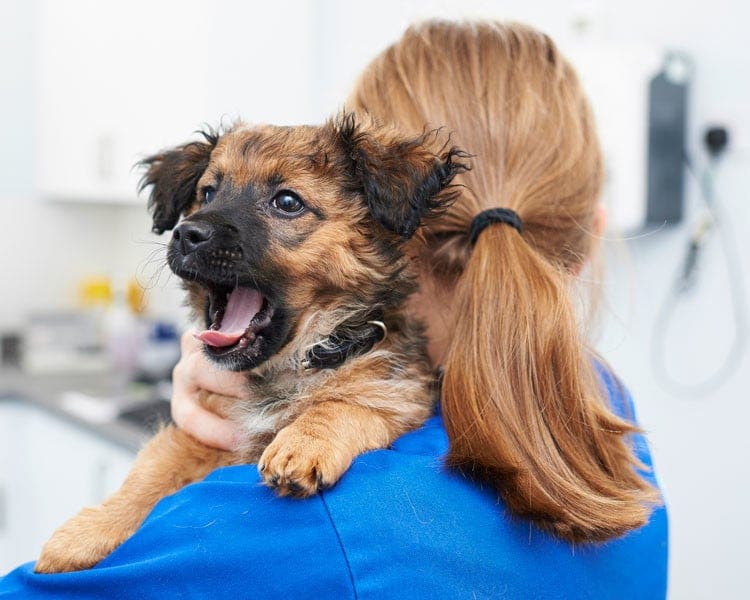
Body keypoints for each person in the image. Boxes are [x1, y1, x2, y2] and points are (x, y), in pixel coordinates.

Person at [0, 21, 668, 598]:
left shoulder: (302, 521)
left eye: (288, 203)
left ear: (388, 232)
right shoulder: (610, 425)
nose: (204, 222)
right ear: (587, 239)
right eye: (208, 195)